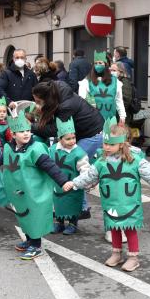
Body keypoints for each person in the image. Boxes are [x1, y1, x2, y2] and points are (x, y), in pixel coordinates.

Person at [65, 118, 150, 272]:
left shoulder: (135, 161)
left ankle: (133, 257)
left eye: (111, 144)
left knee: (130, 229)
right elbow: (88, 175)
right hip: (111, 203)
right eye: (105, 143)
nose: (107, 147)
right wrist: (75, 183)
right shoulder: (101, 162)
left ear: (121, 144)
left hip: (129, 204)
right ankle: (117, 253)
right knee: (114, 227)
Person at [31, 80, 104, 219]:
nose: (37, 104)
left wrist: (32, 127)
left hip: (92, 134)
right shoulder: (57, 89)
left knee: (72, 166)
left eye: (39, 101)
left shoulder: (65, 106)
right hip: (84, 131)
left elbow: (56, 130)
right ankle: (77, 208)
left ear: (47, 98)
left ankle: (80, 208)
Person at [3, 110, 68, 260]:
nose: (26, 134)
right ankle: (29, 240)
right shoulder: (9, 148)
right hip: (19, 191)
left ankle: (36, 246)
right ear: (13, 134)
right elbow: (3, 162)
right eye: (21, 131)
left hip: (34, 191)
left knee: (34, 217)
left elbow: (50, 166)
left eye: (27, 130)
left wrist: (63, 181)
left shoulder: (36, 149)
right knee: (23, 215)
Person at [50, 117, 90, 235]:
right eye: (68, 139)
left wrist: (84, 181)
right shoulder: (52, 150)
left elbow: (85, 169)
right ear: (60, 139)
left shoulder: (79, 153)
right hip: (57, 185)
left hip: (73, 185)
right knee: (57, 202)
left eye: (73, 138)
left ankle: (73, 223)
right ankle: (59, 222)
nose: (72, 141)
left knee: (72, 204)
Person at [78, 51, 126, 123]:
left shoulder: (115, 82)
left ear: (106, 64)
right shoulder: (86, 81)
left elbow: (119, 101)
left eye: (100, 63)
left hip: (110, 120)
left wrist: (122, 116)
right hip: (93, 121)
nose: (97, 65)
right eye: (96, 63)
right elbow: (82, 101)